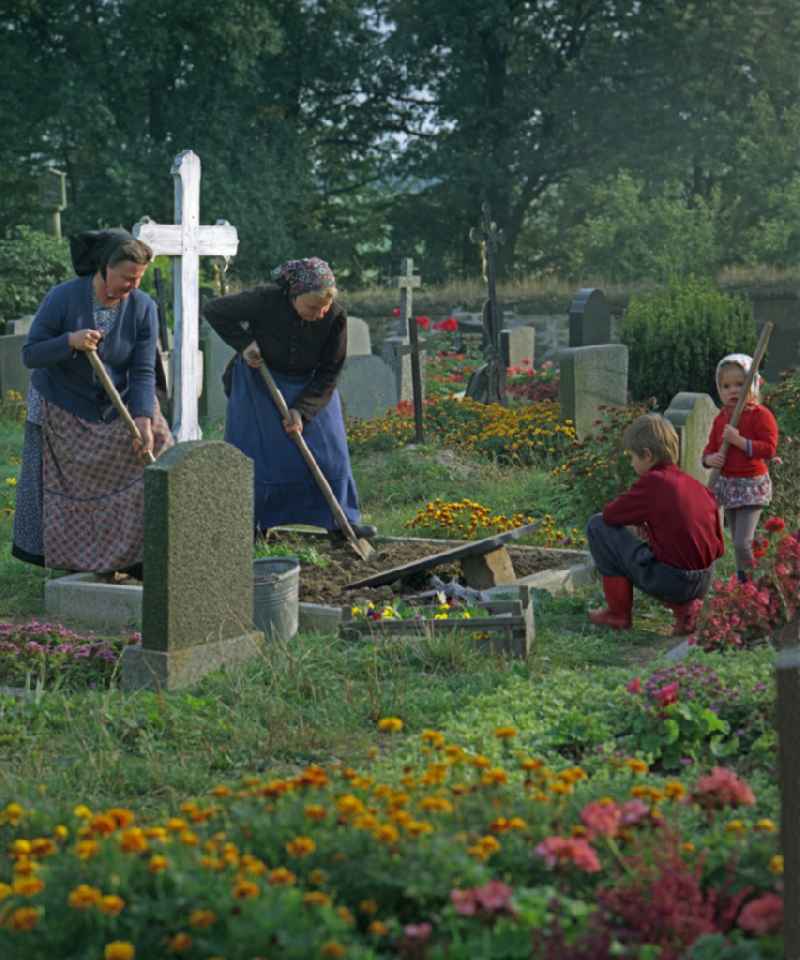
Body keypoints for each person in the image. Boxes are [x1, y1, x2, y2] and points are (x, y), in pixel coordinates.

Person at [13, 229, 173, 576]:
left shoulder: (143, 308)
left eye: (139, 279)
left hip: (116, 400)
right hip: (62, 399)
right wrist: (69, 340)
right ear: (104, 268)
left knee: (157, 445)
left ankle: (138, 556)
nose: (133, 286)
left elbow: (144, 369)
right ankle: (81, 559)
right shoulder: (64, 298)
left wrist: (143, 418)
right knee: (75, 477)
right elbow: (30, 354)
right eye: (127, 278)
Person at [203, 256, 375, 541]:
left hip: (312, 386)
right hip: (260, 380)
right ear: (293, 296)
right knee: (256, 453)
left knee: (330, 452)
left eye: (325, 307)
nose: (319, 313)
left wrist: (302, 411)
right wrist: (245, 344)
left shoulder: (335, 318)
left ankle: (341, 519)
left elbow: (330, 371)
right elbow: (214, 310)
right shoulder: (265, 300)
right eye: (312, 307)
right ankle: (252, 522)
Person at [586, 414, 724, 635]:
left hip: (673, 582)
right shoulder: (695, 486)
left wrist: (638, 522)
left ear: (647, 455)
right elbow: (718, 547)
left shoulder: (654, 482)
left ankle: (617, 613)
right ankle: (686, 611)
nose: (631, 463)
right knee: (672, 555)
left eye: (632, 457)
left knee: (597, 526)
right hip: (704, 580)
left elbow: (611, 515)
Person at [702, 353, 779, 582]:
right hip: (729, 486)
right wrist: (710, 460)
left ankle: (753, 585)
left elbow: (769, 448)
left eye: (739, 384)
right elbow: (709, 450)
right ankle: (745, 581)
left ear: (752, 385)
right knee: (738, 540)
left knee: (741, 542)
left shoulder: (760, 415)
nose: (733, 390)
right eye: (726, 386)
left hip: (751, 485)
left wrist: (740, 442)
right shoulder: (720, 418)